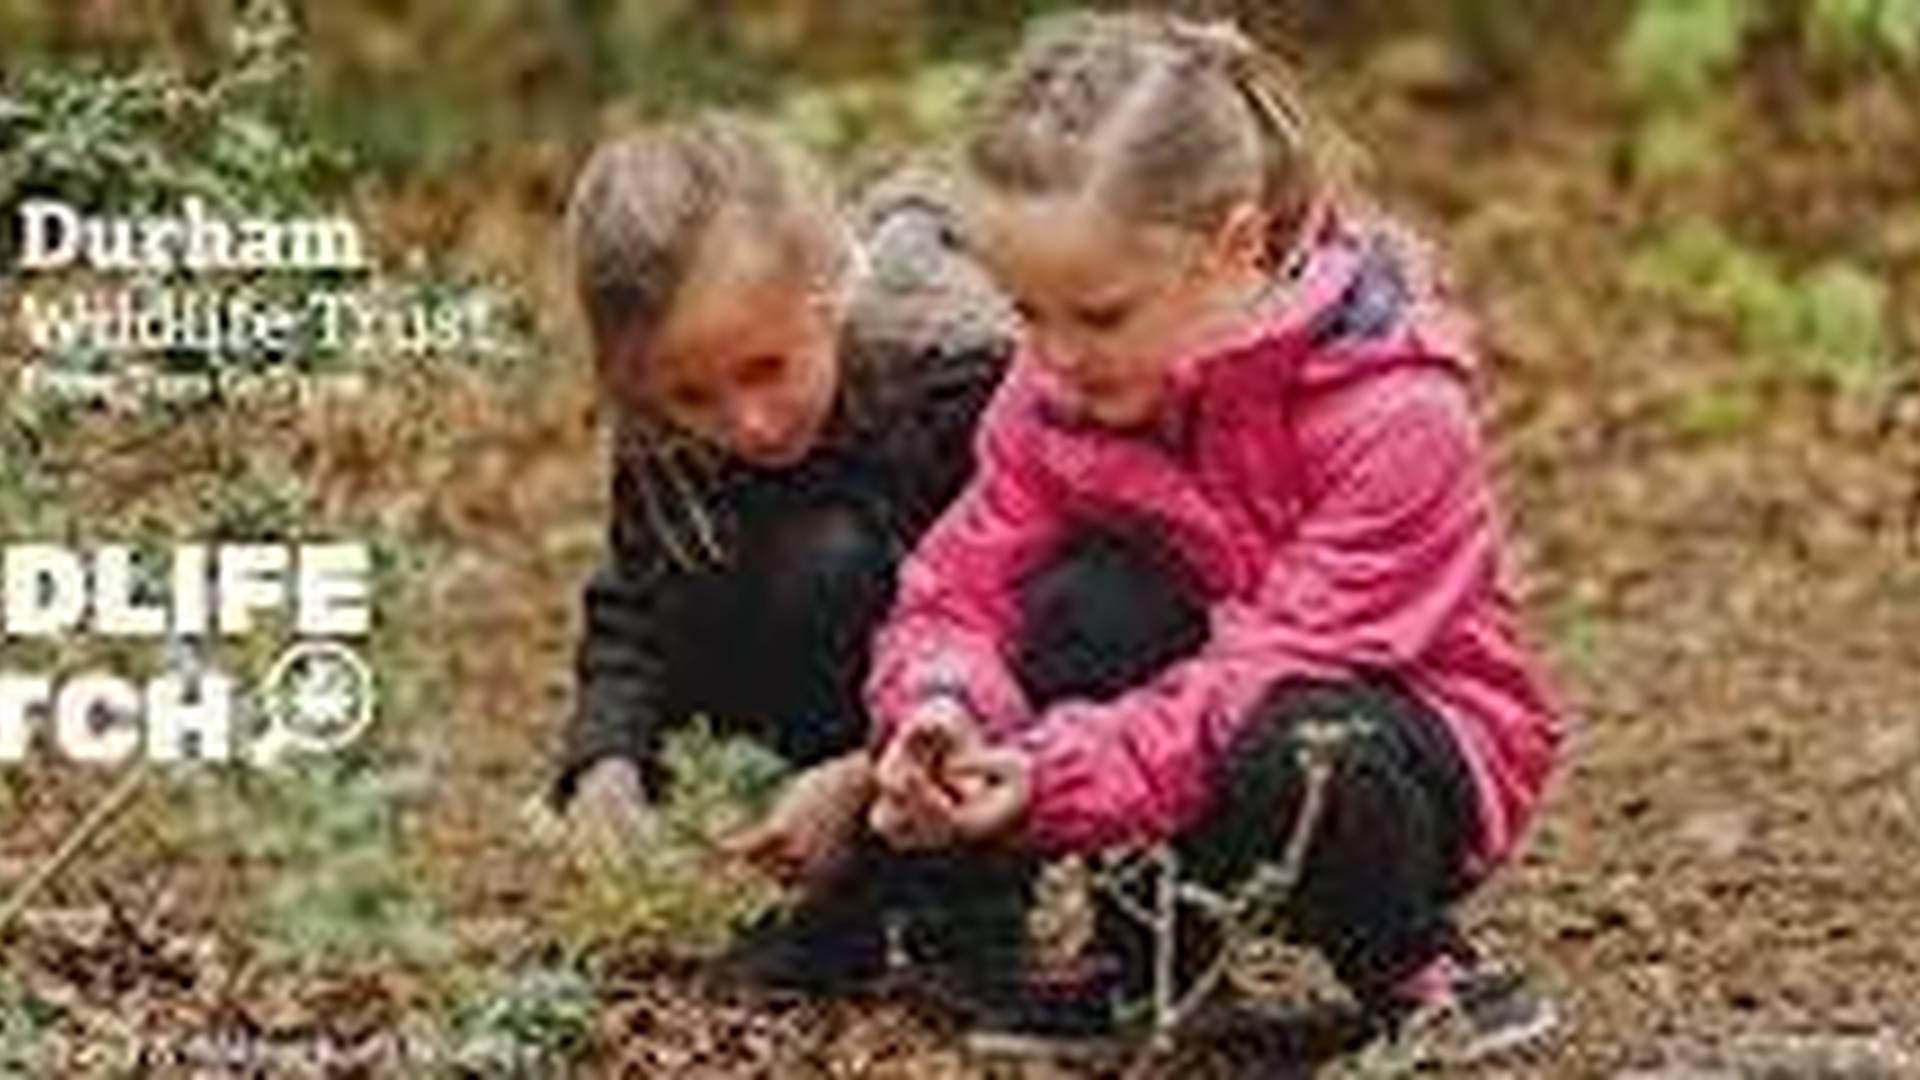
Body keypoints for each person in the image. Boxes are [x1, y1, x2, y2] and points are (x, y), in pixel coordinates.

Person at [861, 12, 1566, 1065]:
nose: (1052, 356)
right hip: (1183, 727)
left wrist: (1048, 778)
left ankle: (1415, 967)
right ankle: (1153, 965)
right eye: (1026, 313)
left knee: (1297, 744)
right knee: (1080, 605)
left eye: (1097, 315)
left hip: (1397, 742)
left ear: (1233, 247)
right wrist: (943, 708)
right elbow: (963, 590)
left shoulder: (1396, 410)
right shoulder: (1054, 389)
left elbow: (1268, 670)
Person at [548, 112, 1030, 1004]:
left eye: (767, 369)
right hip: (811, 687)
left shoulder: (955, 375)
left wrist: (868, 774)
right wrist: (605, 761)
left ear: (829, 287)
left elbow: (1032, 616)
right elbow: (635, 610)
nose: (746, 422)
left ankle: (966, 916)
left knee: (831, 562)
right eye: (693, 394)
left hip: (971, 698)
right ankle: (829, 906)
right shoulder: (663, 431)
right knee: (730, 568)